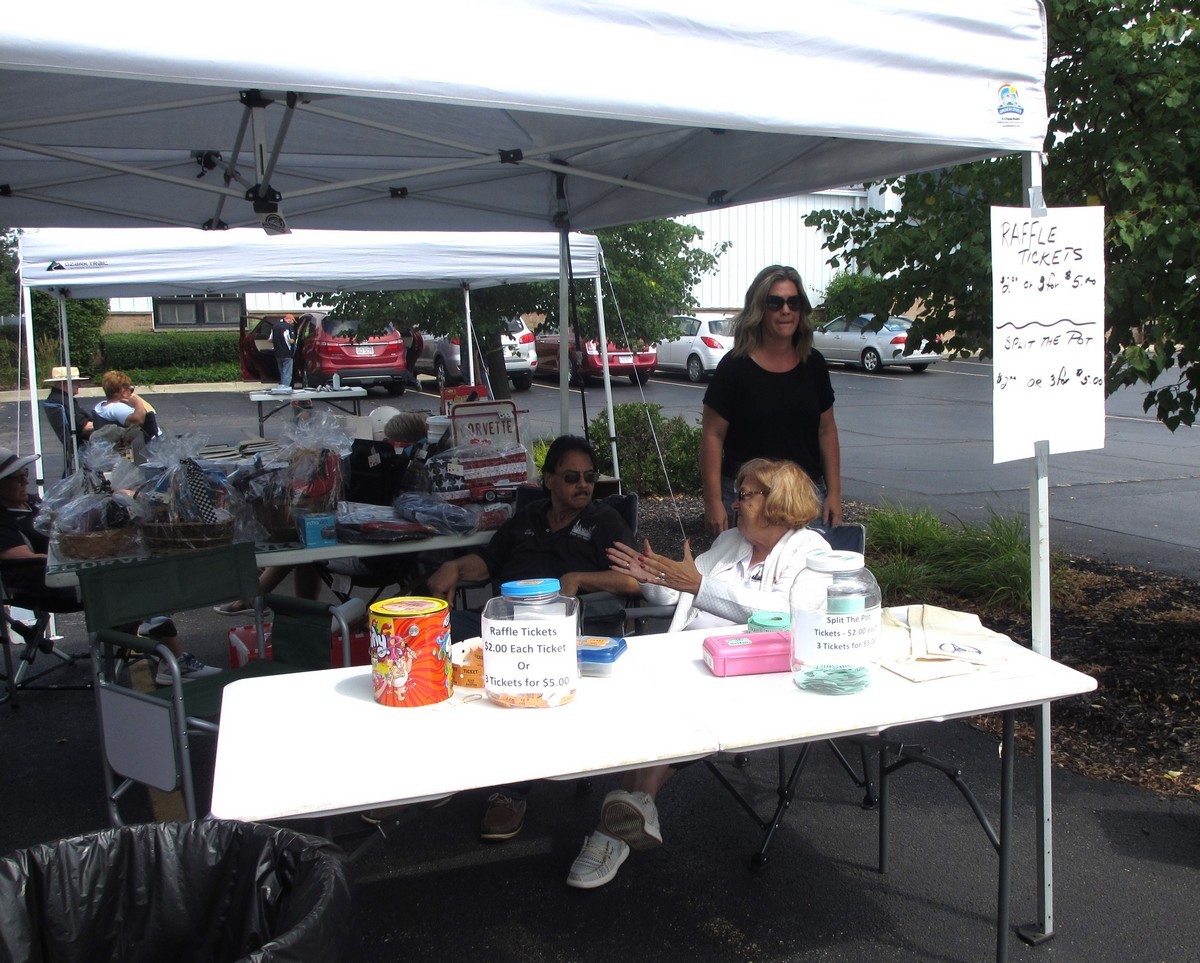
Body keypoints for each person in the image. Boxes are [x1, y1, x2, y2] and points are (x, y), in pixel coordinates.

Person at [566, 457, 832, 889]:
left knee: (671, 705)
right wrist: (651, 576)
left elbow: (786, 614)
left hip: (754, 676)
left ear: (777, 501)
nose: (735, 502)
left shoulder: (811, 553)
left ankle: (611, 831)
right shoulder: (730, 542)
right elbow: (680, 591)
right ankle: (635, 809)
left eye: (745, 495)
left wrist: (698, 585)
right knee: (635, 686)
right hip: (689, 658)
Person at [425, 434, 640, 842]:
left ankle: (510, 791)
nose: (583, 485)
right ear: (549, 480)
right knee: (433, 633)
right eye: (572, 477)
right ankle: (435, 764)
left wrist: (577, 578)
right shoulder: (527, 518)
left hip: (561, 635)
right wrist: (455, 567)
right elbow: (488, 562)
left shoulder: (604, 522)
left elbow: (634, 580)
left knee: (518, 675)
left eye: (590, 477)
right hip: (503, 625)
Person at [0, 447, 218, 686]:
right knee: (139, 582)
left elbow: (60, 522)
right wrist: (78, 554)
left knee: (135, 555)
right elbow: (24, 558)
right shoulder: (4, 521)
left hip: (75, 570)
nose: (25, 481)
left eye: (25, 474)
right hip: (49, 586)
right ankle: (163, 646)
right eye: (17, 478)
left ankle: (148, 625)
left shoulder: (30, 502)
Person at [701, 265, 842, 537]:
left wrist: (834, 493)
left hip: (805, 499)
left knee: (806, 564)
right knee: (746, 566)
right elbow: (712, 436)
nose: (785, 310)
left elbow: (827, 431)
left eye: (793, 302)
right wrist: (713, 501)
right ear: (759, 309)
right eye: (775, 303)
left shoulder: (814, 365)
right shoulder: (734, 367)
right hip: (749, 500)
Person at [92, 370, 162, 452]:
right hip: (149, 443)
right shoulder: (117, 407)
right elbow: (138, 421)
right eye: (130, 389)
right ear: (122, 390)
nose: (131, 393)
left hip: (123, 445)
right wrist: (138, 403)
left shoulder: (100, 407)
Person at [272, 314, 297, 388]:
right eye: (292, 321)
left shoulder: (275, 326)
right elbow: (291, 340)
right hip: (287, 353)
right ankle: (285, 389)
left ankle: (282, 387)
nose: (292, 323)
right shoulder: (289, 326)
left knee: (282, 372)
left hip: (277, 353)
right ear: (290, 319)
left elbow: (269, 339)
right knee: (287, 373)